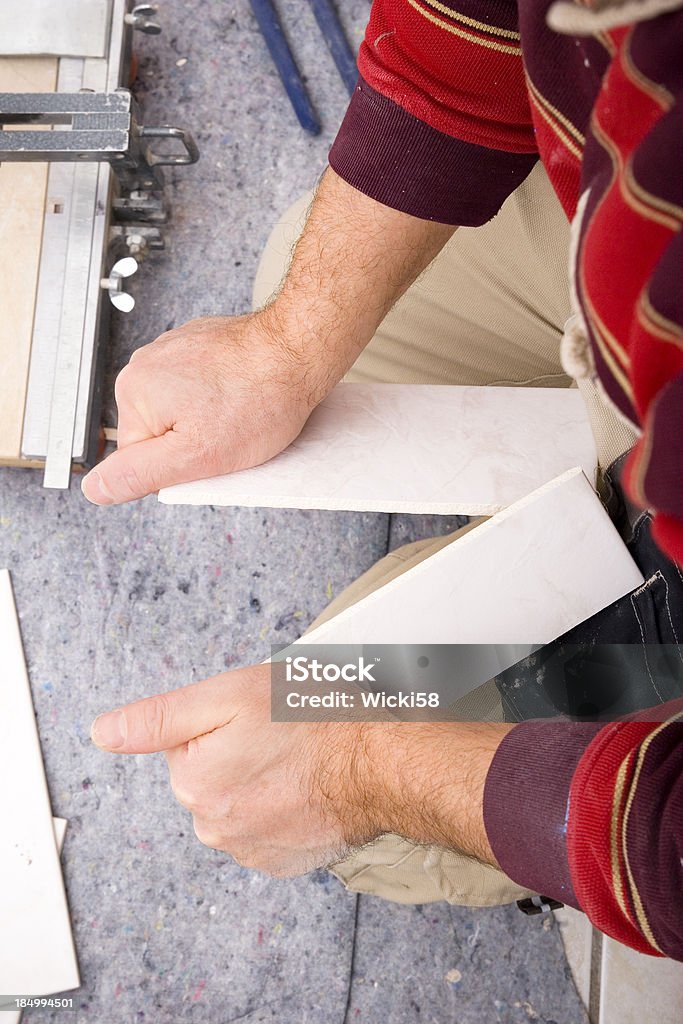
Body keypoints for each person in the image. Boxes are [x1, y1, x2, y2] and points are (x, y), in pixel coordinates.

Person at [84, 0, 683, 961]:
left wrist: (358, 771)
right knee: (311, 288)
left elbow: (671, 852)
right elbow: (475, 25)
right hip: (647, 263)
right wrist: (287, 343)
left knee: (332, 742)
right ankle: (608, 455)